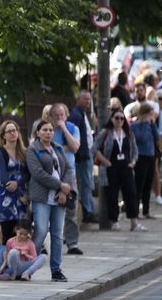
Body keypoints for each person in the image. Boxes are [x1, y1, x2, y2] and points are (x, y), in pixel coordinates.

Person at [27, 119, 72, 282]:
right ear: (38, 133)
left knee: (57, 235)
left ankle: (56, 270)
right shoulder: (33, 150)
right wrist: (60, 184)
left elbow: (67, 169)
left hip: (59, 198)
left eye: (51, 130)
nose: (48, 133)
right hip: (42, 198)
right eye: (45, 130)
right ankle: (28, 268)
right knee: (40, 231)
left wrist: (63, 190)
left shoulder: (58, 148)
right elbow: (37, 173)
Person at [93, 110, 144, 232]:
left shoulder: (128, 133)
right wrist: (105, 161)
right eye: (117, 118)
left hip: (126, 167)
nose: (119, 121)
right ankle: (114, 221)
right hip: (111, 168)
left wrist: (133, 162)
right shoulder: (105, 133)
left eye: (122, 118)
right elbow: (94, 148)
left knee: (131, 193)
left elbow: (135, 150)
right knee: (112, 194)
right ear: (112, 119)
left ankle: (134, 222)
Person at [47, 104, 83, 255]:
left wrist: (64, 129)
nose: (60, 118)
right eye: (56, 116)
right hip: (52, 174)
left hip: (69, 173)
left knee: (71, 208)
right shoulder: (48, 130)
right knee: (50, 207)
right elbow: (48, 148)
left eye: (62, 115)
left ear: (66, 115)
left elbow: (75, 147)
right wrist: (63, 147)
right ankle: (50, 243)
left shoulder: (73, 128)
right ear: (51, 117)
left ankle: (72, 243)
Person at [0, 120, 29, 243]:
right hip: (5, 195)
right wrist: (19, 195)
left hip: (21, 192)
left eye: (14, 130)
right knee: (8, 233)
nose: (12, 133)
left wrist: (18, 185)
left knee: (21, 231)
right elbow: (3, 179)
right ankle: (7, 261)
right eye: (9, 131)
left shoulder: (24, 152)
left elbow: (28, 173)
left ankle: (19, 260)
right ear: (3, 135)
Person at [68, 90, 98, 222]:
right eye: (85, 99)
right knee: (85, 183)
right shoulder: (76, 114)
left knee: (88, 183)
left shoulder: (82, 114)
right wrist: (80, 155)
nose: (88, 102)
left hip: (86, 154)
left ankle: (90, 209)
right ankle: (88, 212)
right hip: (82, 157)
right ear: (78, 99)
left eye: (89, 99)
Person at [130, 103, 160, 219]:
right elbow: (140, 138)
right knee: (139, 185)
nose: (151, 117)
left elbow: (157, 139)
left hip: (151, 156)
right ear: (143, 114)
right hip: (140, 157)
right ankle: (135, 211)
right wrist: (144, 123)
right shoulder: (135, 126)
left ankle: (146, 211)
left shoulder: (151, 125)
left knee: (148, 185)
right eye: (149, 114)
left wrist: (152, 125)